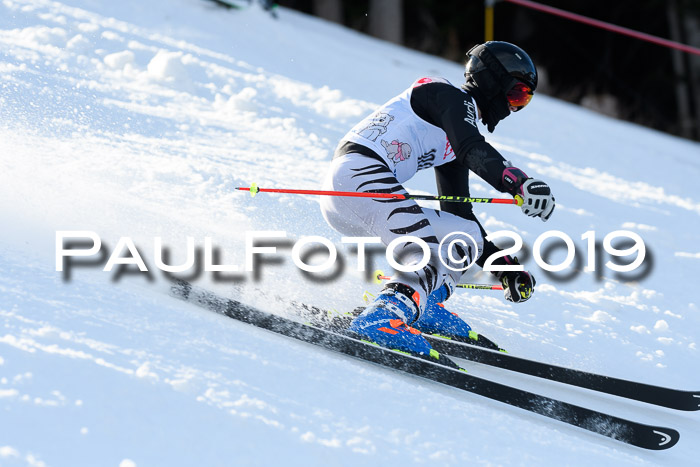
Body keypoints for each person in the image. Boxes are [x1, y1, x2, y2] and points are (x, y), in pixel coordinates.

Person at [320, 41, 555, 359]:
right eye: (517, 95)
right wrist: (519, 183)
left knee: (464, 235)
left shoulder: (454, 134)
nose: (514, 107)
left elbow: (458, 210)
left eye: (523, 101)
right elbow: (473, 148)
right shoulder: (448, 97)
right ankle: (381, 318)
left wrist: (504, 267)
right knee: (425, 252)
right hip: (357, 177)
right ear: (493, 80)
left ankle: (422, 304)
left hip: (362, 193)